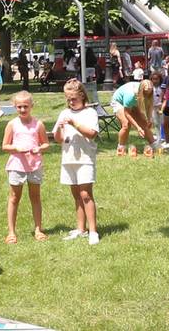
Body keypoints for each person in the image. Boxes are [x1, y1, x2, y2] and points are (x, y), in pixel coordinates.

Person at [54, 79, 100, 245]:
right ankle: (81, 229)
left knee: (85, 194)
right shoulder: (64, 113)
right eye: (68, 98)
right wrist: (60, 129)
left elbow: (92, 134)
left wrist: (75, 124)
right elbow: (59, 139)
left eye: (73, 98)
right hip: (68, 159)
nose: (70, 101)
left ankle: (93, 231)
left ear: (82, 95)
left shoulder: (90, 113)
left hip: (85, 158)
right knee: (76, 195)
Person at [2, 91, 49, 244]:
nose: (22, 110)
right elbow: (5, 146)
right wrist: (16, 149)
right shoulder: (12, 124)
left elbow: (46, 143)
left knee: (35, 197)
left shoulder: (38, 124)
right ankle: (11, 232)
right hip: (17, 166)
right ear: (15, 107)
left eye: (25, 106)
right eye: (19, 107)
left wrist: (39, 149)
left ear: (31, 106)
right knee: (14, 197)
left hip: (34, 165)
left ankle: (38, 229)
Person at [110, 80, 157, 157]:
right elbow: (127, 113)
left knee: (144, 123)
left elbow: (149, 106)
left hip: (134, 101)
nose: (147, 95)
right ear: (141, 90)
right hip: (119, 102)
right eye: (145, 93)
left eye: (149, 93)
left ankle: (154, 146)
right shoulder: (131, 95)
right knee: (126, 124)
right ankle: (121, 148)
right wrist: (138, 128)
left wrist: (149, 119)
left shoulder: (150, 92)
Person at [150, 71, 165, 148]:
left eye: (157, 79)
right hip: (153, 107)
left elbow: (164, 98)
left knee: (164, 123)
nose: (155, 81)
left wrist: (162, 107)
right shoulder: (150, 88)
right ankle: (158, 139)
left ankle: (168, 139)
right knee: (156, 124)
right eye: (153, 79)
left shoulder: (162, 88)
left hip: (161, 107)